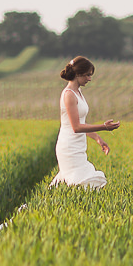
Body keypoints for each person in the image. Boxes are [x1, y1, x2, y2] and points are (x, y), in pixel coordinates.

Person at [50, 55, 120, 190]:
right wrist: (104, 127)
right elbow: (76, 127)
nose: (89, 79)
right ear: (77, 74)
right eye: (87, 75)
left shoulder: (78, 92)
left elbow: (82, 122)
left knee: (79, 184)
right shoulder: (69, 94)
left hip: (79, 145)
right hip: (69, 146)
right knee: (79, 182)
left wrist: (98, 139)